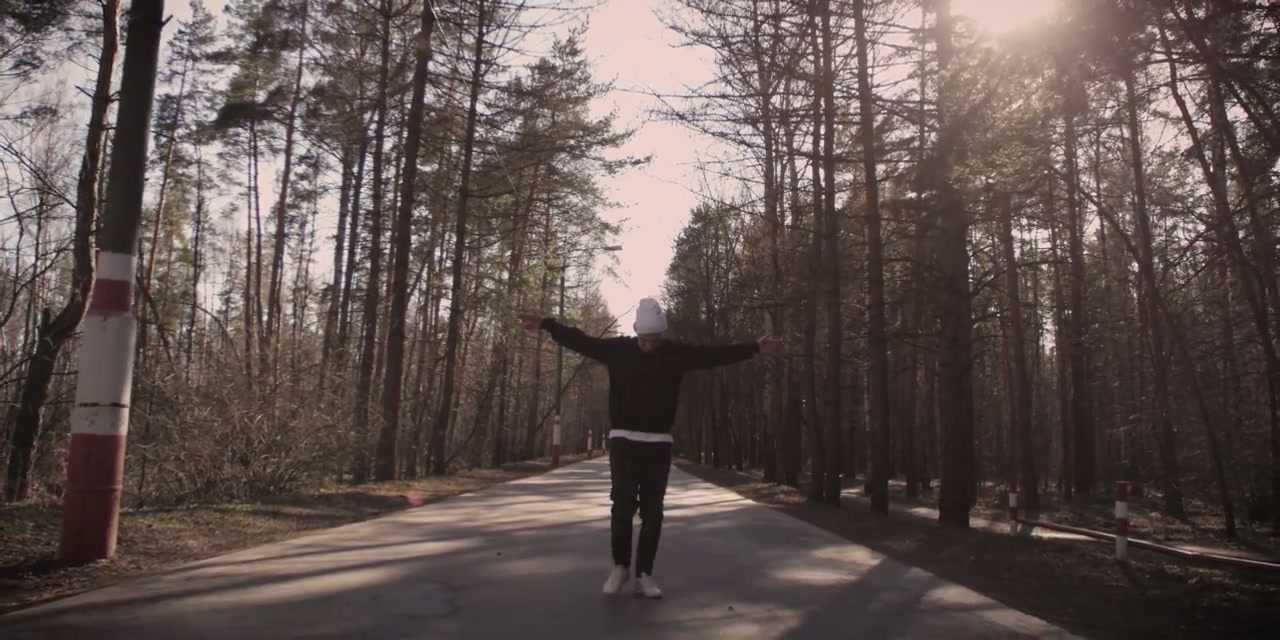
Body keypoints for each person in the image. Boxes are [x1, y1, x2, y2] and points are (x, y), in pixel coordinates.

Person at [520, 297, 783, 599]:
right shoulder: (618, 350)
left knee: (653, 511)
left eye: (654, 340)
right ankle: (620, 566)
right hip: (623, 440)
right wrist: (546, 325)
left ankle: (644, 574)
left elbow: (712, 355)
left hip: (657, 444)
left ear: (661, 335)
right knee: (622, 506)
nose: (649, 345)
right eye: (645, 340)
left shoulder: (675, 354)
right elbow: (581, 341)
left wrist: (754, 348)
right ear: (636, 331)